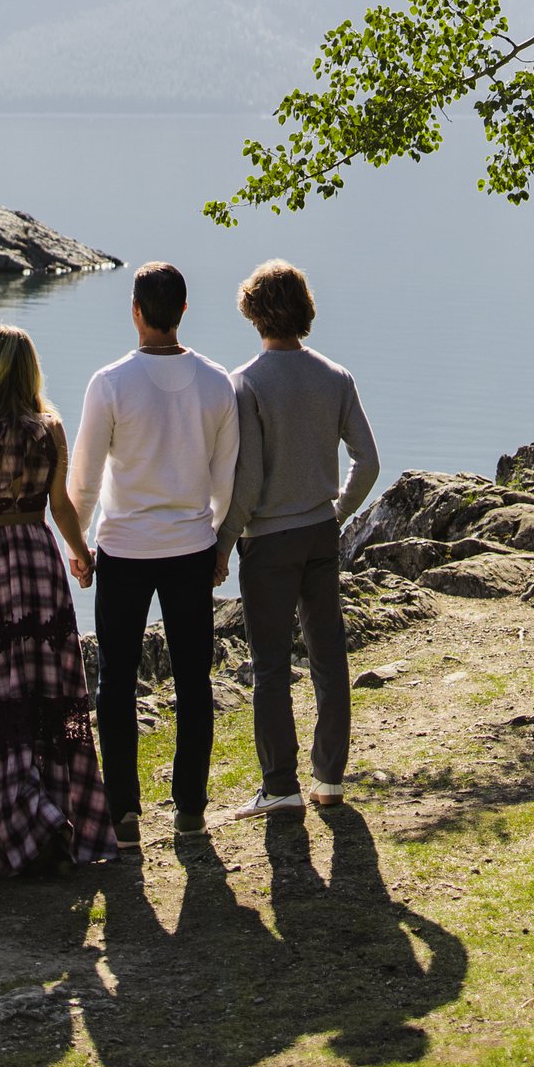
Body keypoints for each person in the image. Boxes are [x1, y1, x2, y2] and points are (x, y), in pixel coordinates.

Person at [66, 260, 240, 848]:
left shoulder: (110, 383)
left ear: (136, 312)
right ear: (184, 311)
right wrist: (218, 540)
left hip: (125, 549)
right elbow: (226, 479)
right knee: (194, 679)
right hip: (191, 547)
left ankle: (124, 814)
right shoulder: (217, 383)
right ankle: (190, 808)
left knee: (116, 683)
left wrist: (78, 544)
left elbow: (84, 479)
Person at [0, 325, 117, 878]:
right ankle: (52, 810)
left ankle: (20, 823)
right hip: (38, 560)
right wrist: (81, 552)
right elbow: (61, 506)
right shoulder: (51, 429)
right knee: (47, 688)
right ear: (31, 372)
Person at [217, 258, 379, 816]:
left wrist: (222, 544)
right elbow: (369, 461)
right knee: (328, 657)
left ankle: (280, 786)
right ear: (304, 310)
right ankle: (330, 779)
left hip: (268, 543)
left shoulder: (247, 384)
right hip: (319, 534)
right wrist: (338, 510)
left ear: (255, 313)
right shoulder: (336, 377)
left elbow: (248, 482)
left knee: (270, 665)